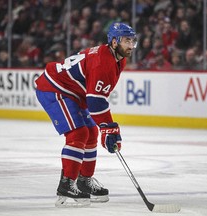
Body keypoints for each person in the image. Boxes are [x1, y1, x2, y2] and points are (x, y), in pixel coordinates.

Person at [35, 22, 137, 207]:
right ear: (114, 42)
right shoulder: (103, 62)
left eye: (132, 41)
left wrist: (106, 128)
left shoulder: (118, 58)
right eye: (126, 41)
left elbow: (96, 97)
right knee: (78, 133)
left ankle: (84, 180)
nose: (130, 45)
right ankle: (66, 183)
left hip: (74, 92)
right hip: (55, 88)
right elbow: (96, 101)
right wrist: (109, 127)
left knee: (92, 132)